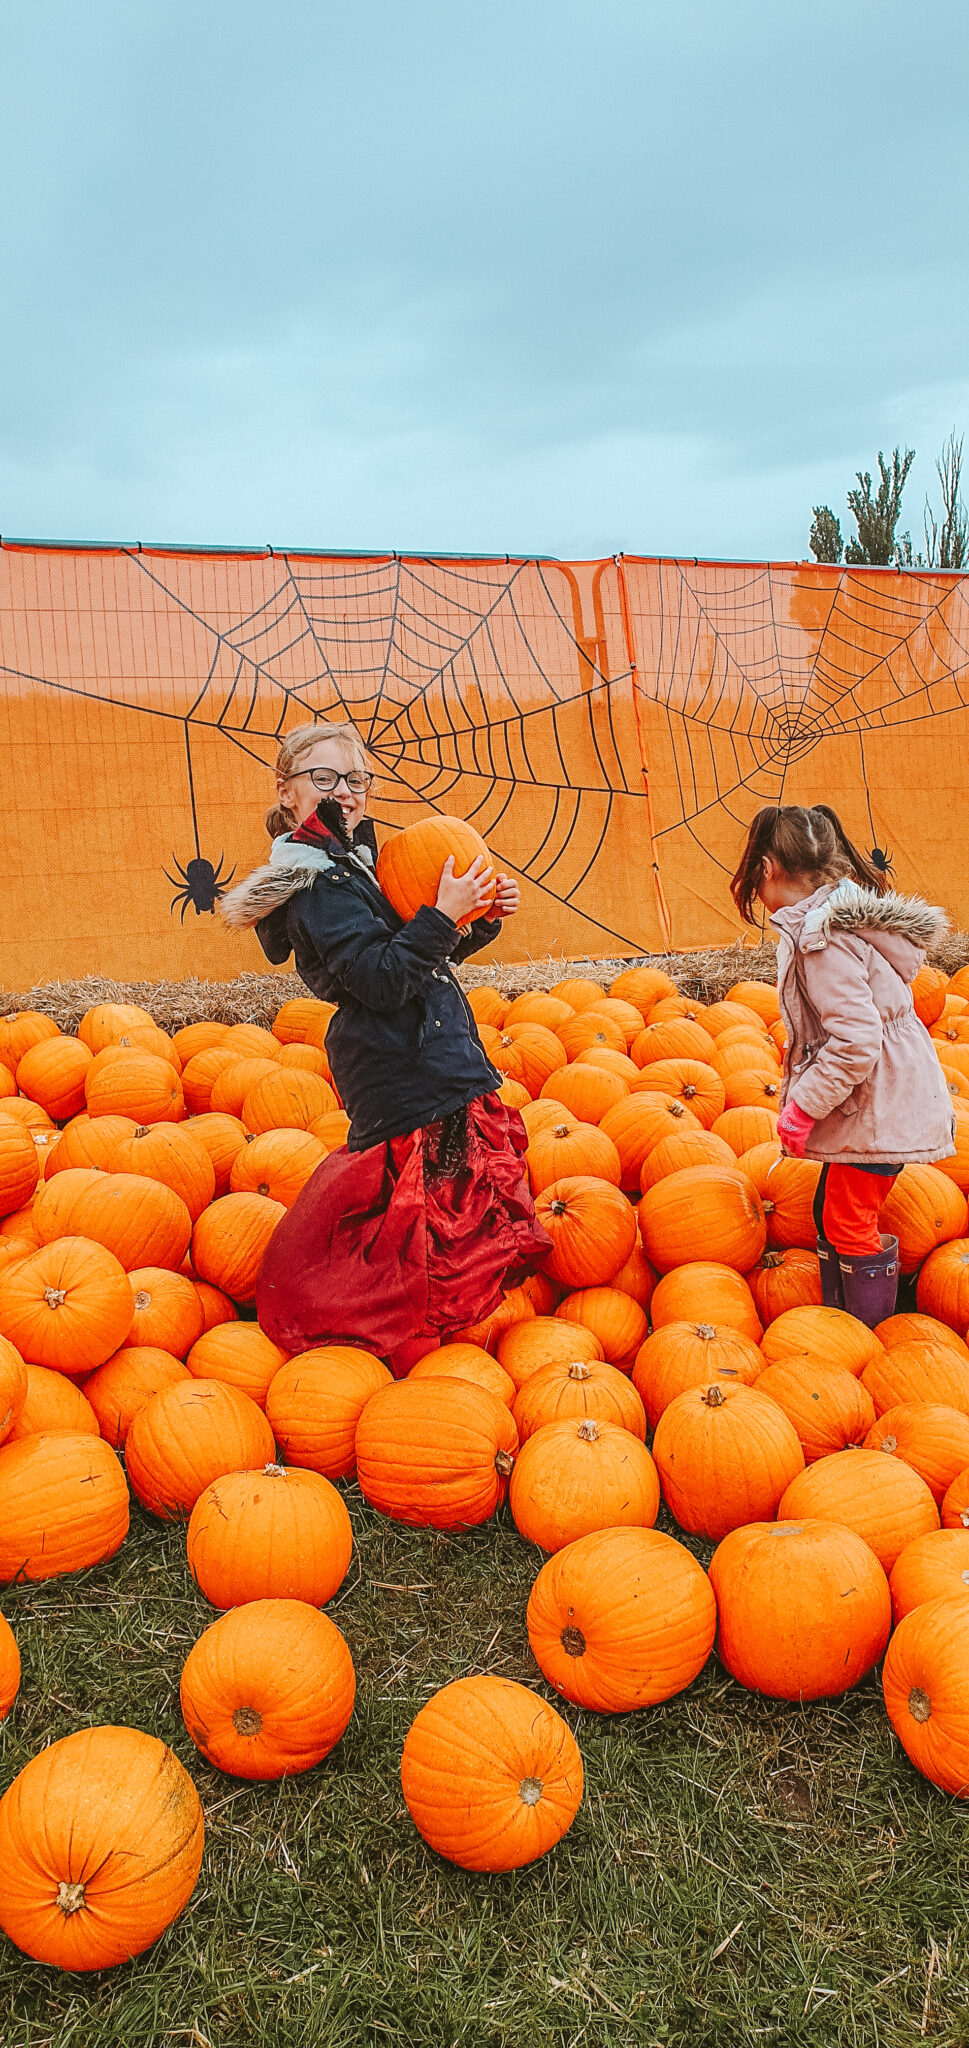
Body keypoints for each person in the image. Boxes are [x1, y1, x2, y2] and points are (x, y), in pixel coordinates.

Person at [221, 720, 549, 1373]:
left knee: (448, 1207)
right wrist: (438, 915)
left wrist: (474, 917)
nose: (343, 789)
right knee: (418, 1217)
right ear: (287, 792)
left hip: (427, 1052)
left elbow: (421, 960)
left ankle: (441, 1322)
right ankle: (402, 1343)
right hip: (400, 1066)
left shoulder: (355, 863)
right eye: (323, 778)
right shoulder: (316, 883)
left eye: (355, 778)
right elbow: (378, 978)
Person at [730, 803, 954, 1327]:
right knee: (829, 1212)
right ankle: (844, 1317)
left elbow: (856, 1041)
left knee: (849, 1220)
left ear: (765, 869)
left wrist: (803, 1108)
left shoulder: (822, 940)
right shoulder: (832, 922)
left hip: (878, 1103)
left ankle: (864, 1335)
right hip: (879, 1096)